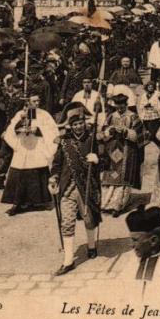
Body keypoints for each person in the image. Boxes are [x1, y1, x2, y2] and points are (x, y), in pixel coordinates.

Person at [48, 103, 102, 276]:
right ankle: (68, 260)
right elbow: (57, 164)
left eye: (81, 123)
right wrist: (53, 178)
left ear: (85, 122)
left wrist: (97, 159)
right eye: (75, 124)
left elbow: (107, 161)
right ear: (70, 126)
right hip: (67, 188)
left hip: (87, 187)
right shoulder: (64, 142)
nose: (78, 126)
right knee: (67, 223)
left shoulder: (93, 139)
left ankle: (91, 246)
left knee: (89, 219)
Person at [0, 93, 59, 215]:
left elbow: (52, 130)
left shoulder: (44, 114)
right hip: (23, 146)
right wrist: (20, 123)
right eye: (34, 101)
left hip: (37, 145)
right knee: (20, 172)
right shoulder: (21, 114)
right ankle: (17, 203)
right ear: (27, 102)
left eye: (38, 101)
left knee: (38, 170)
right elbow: (11, 130)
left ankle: (40, 200)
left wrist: (38, 130)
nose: (37, 103)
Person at [98, 93, 144, 217]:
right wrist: (109, 131)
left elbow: (140, 135)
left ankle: (118, 205)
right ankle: (106, 203)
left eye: (122, 107)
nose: (119, 109)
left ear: (126, 105)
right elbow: (103, 133)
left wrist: (126, 131)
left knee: (123, 176)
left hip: (127, 150)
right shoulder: (110, 116)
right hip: (112, 151)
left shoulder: (133, 117)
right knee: (111, 175)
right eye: (117, 107)